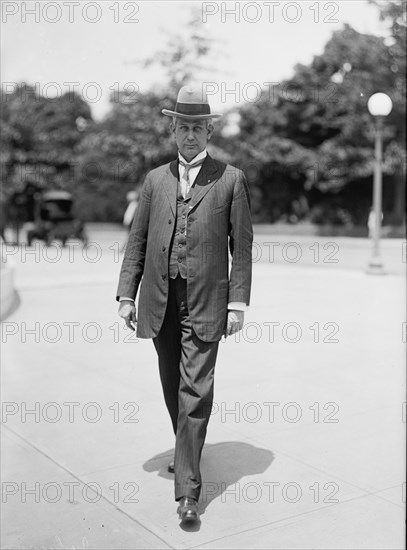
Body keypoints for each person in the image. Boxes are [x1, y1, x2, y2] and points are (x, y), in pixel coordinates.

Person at [116, 84, 253, 524]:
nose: (190, 135)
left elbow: (242, 249)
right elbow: (136, 242)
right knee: (171, 381)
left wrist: (237, 304)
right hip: (160, 298)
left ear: (208, 130)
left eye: (198, 127)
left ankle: (188, 494)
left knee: (196, 390)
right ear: (172, 129)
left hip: (207, 301)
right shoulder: (155, 180)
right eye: (183, 127)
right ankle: (187, 450)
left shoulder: (230, 178)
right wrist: (125, 294)